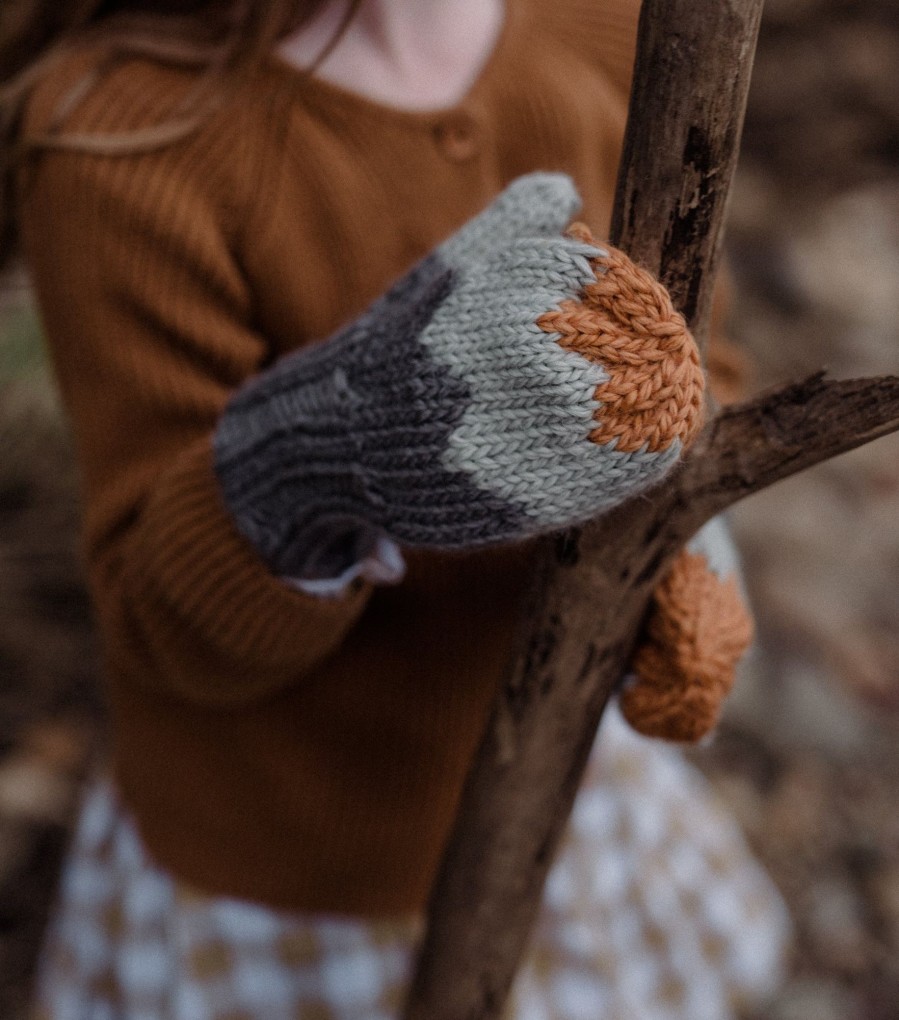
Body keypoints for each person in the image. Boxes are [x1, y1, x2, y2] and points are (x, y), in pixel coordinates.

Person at [1, 1, 790, 1017]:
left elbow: (687, 338)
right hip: (297, 870)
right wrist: (324, 448)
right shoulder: (124, 137)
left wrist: (680, 529)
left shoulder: (612, 25)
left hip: (561, 783)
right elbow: (166, 622)